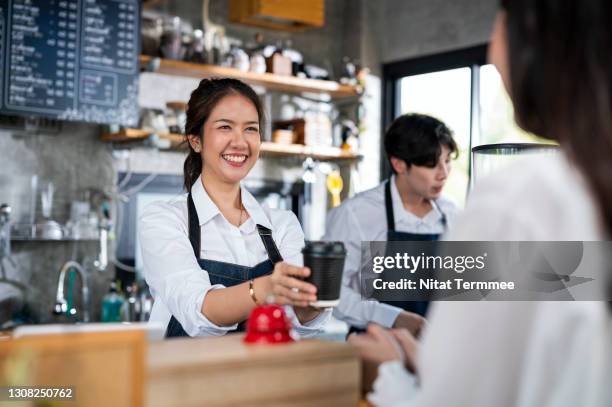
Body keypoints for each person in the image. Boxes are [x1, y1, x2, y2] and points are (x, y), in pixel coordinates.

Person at [349, 0, 612, 406]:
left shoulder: (520, 201)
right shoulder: (582, 190)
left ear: (534, 42)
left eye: (499, 22)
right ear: (398, 164)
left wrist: (393, 368)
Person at [139, 78, 330, 338]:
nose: (240, 142)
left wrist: (316, 295)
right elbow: (198, 312)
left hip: (264, 376)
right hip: (183, 376)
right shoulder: (164, 220)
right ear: (196, 140)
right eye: (225, 127)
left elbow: (299, 322)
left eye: (251, 129)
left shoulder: (282, 224)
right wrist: (265, 289)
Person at [323, 114, 459, 334]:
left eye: (448, 160)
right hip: (376, 345)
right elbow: (332, 290)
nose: (443, 173)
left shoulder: (451, 213)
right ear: (398, 164)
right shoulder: (357, 214)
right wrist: (392, 317)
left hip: (439, 347)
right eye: (431, 164)